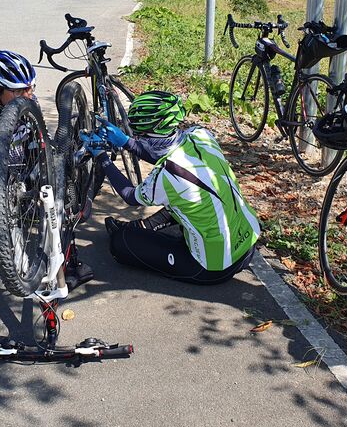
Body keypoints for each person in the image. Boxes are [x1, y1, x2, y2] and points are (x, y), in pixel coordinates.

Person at [0, 50, 94, 290]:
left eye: (30, 87)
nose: (27, 95)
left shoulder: (30, 101)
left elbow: (41, 141)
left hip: (17, 172)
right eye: (18, 91)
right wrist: (21, 160)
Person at [82, 91, 260, 284]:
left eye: (138, 135)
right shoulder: (200, 134)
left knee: (120, 241)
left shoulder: (166, 176)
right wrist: (126, 142)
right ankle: (145, 226)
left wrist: (101, 156)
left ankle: (149, 236)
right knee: (183, 199)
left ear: (145, 135)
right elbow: (164, 153)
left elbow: (130, 196)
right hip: (248, 243)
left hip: (213, 267)